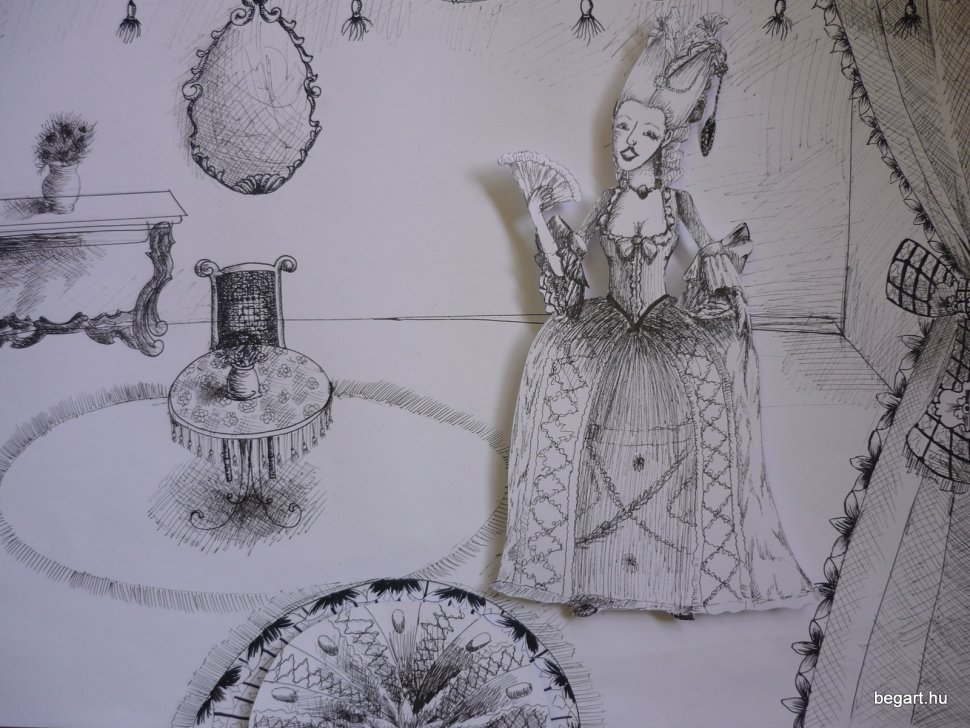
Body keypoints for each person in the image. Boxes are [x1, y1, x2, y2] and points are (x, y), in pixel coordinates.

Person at [494, 14, 814, 618]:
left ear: (664, 140)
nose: (628, 140)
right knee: (589, 435)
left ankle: (680, 584)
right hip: (608, 324)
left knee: (688, 434)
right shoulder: (607, 203)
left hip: (665, 325)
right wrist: (537, 214)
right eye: (622, 127)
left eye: (643, 132)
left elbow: (711, 254)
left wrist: (723, 284)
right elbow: (567, 269)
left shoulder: (678, 202)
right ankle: (589, 577)